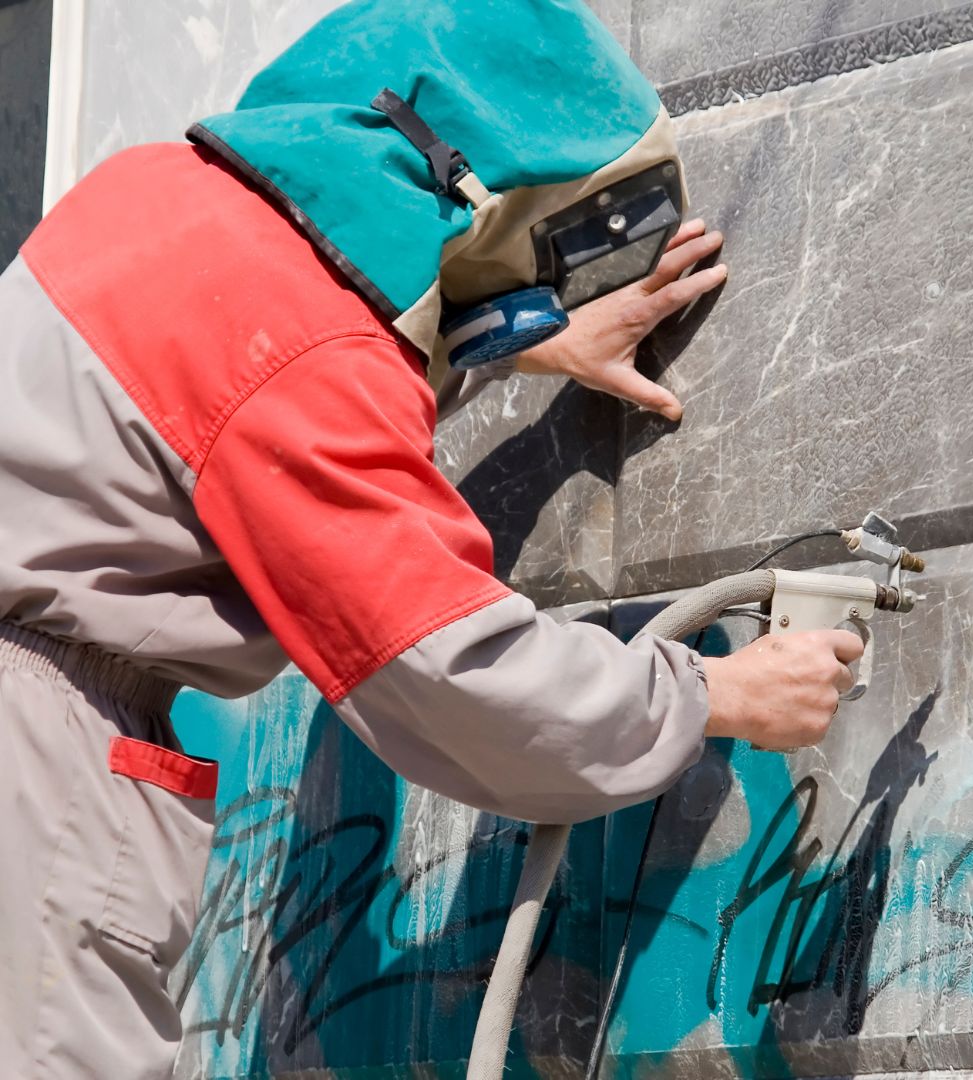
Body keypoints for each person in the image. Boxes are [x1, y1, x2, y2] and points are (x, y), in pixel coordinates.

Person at [0, 1, 862, 1075]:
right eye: (550, 251)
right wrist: (714, 696)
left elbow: (237, 396)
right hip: (34, 757)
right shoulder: (302, 357)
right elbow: (446, 665)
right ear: (476, 200)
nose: (545, 297)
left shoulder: (160, 192)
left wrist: (512, 350)